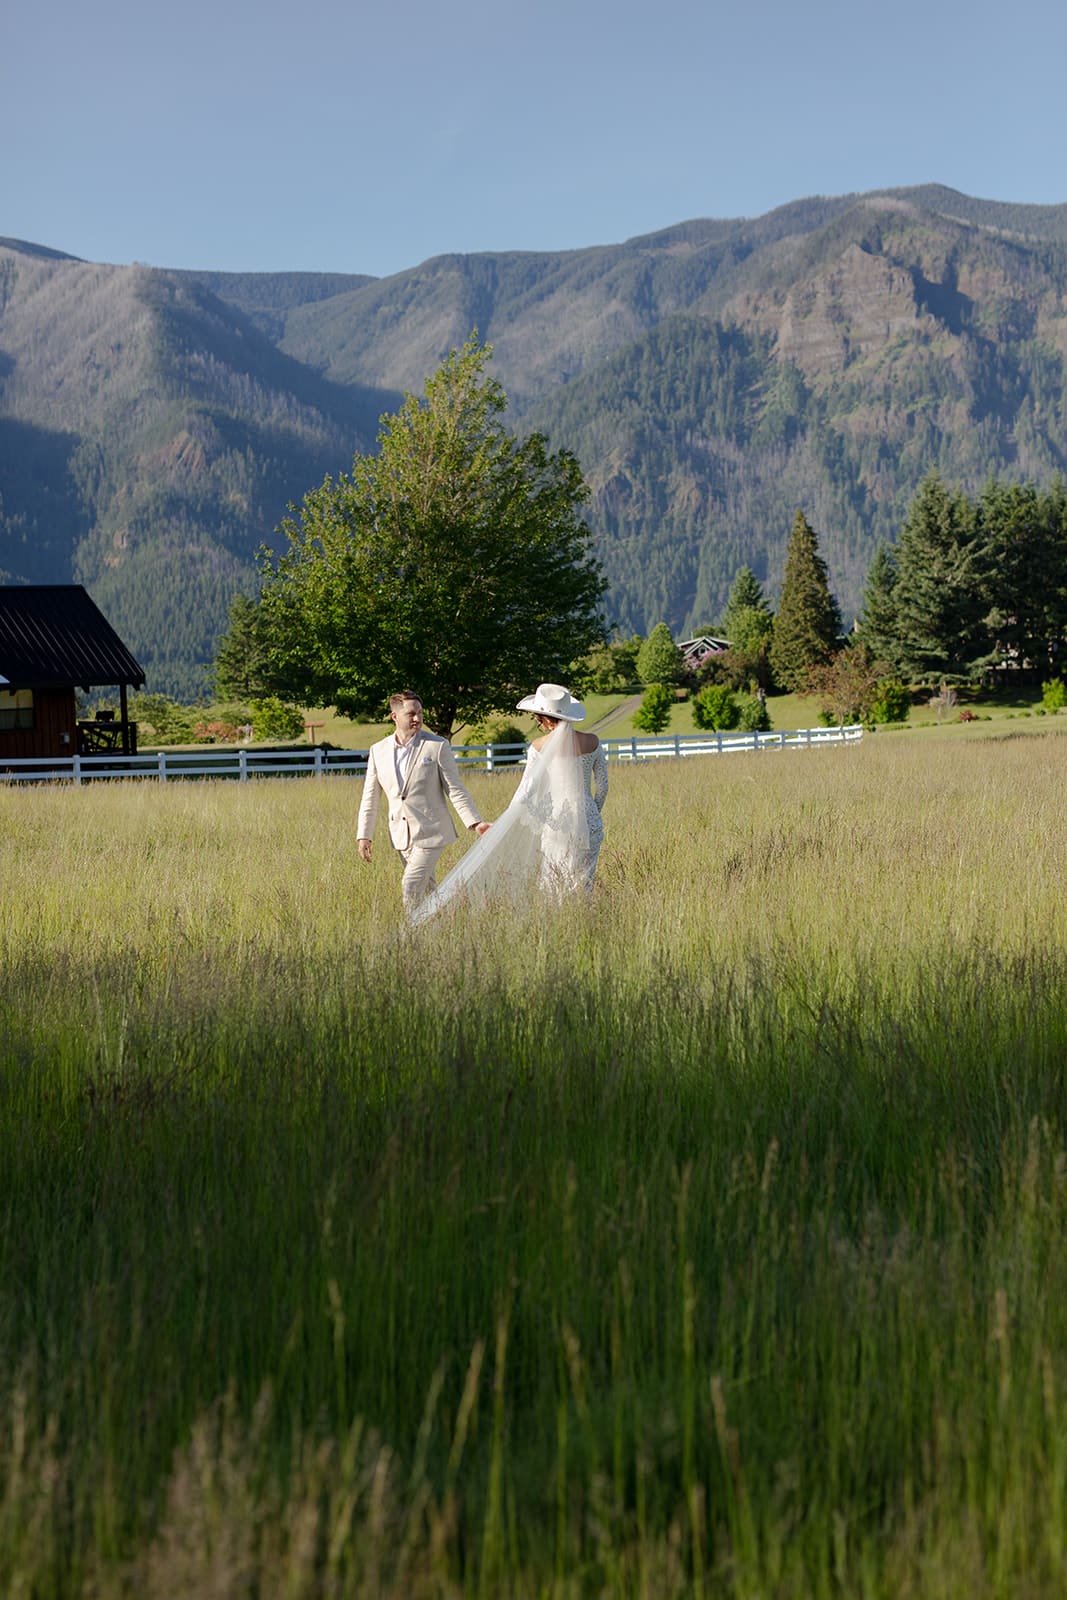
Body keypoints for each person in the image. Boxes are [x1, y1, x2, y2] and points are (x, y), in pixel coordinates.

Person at [410, 682, 608, 924]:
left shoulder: (538, 747)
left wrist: (505, 823)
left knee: (554, 884)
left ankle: (560, 926)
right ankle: (583, 923)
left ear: (545, 719)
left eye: (537, 717)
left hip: (557, 824)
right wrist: (591, 812)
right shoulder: (593, 742)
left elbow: (524, 793)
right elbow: (603, 788)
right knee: (583, 883)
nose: (536, 722)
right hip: (591, 823)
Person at [357, 691, 490, 916]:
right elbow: (370, 797)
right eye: (411, 714)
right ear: (394, 717)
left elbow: (455, 789)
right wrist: (364, 835)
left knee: (411, 885)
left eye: (420, 713)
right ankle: (449, 924)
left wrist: (475, 823)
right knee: (428, 890)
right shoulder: (378, 751)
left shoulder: (437, 746)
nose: (417, 718)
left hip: (432, 831)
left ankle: (411, 936)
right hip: (400, 835)